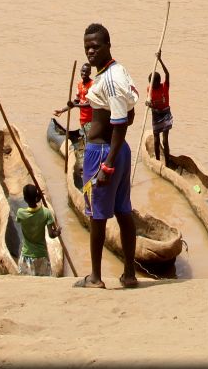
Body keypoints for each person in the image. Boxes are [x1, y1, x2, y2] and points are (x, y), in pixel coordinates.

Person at [76, 22, 140, 289]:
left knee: (97, 217)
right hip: (118, 151)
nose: (90, 51)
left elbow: (120, 121)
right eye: (87, 47)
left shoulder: (111, 80)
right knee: (123, 211)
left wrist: (107, 165)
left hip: (104, 152)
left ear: (108, 46)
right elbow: (131, 111)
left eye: (96, 46)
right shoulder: (117, 71)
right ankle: (129, 274)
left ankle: (95, 277)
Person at [16, 183, 59, 276]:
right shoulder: (46, 213)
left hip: (26, 255)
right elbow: (52, 235)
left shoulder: (20, 213)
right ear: (37, 197)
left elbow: (19, 220)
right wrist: (57, 232)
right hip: (41, 255)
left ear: (24, 199)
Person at [146, 50, 173, 161]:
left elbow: (167, 74)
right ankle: (157, 161)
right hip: (156, 114)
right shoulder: (149, 89)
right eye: (150, 83)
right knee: (156, 140)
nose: (152, 85)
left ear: (159, 82)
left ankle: (167, 162)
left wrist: (160, 60)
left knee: (165, 141)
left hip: (166, 113)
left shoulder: (164, 86)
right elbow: (151, 103)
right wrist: (148, 104)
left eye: (153, 83)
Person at [54, 61, 93, 128]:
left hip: (91, 119)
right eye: (83, 71)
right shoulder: (79, 84)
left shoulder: (92, 85)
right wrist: (62, 110)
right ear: (80, 71)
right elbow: (76, 101)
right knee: (85, 135)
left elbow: (91, 104)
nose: (84, 73)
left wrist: (75, 105)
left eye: (86, 72)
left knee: (89, 137)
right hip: (82, 118)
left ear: (89, 73)